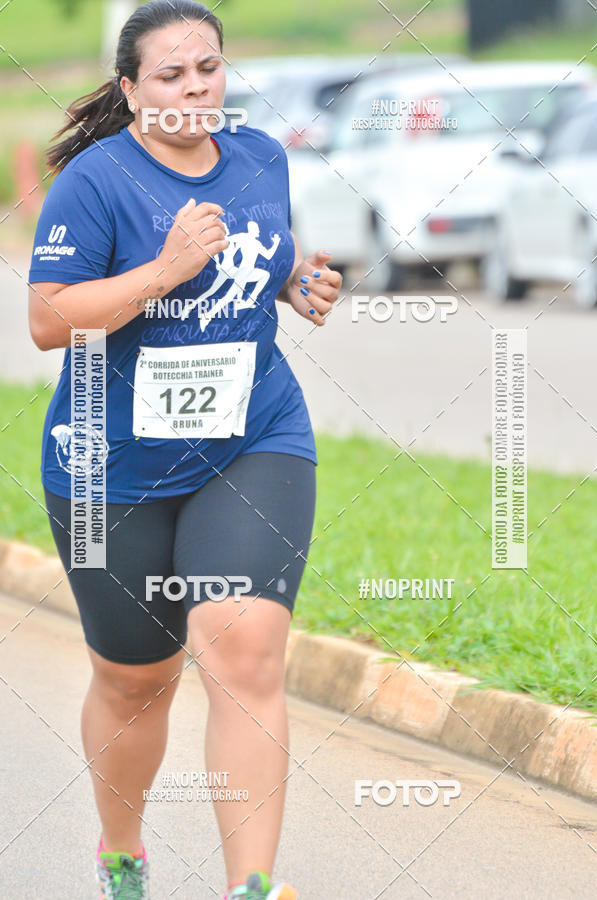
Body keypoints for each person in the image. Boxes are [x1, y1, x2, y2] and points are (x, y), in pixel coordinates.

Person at [26, 1, 342, 898]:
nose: (195, 86)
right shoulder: (95, 181)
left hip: (252, 436)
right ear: (131, 91)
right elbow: (50, 320)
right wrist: (163, 271)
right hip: (112, 464)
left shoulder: (259, 158)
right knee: (136, 683)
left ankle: (254, 887)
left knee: (240, 646)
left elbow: (257, 253)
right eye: (171, 74)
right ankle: (122, 851)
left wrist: (293, 283)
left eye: (208, 66)